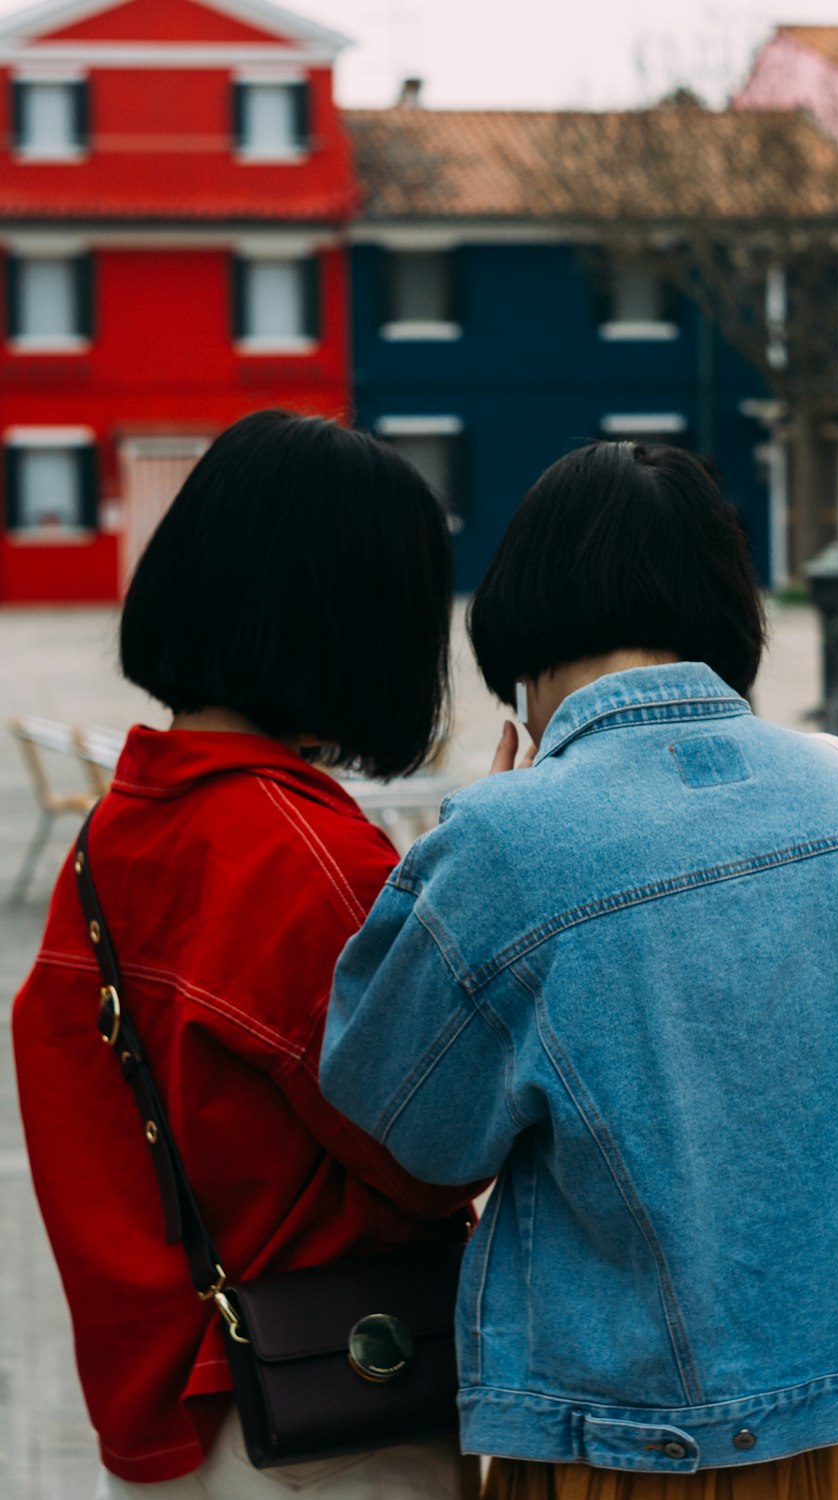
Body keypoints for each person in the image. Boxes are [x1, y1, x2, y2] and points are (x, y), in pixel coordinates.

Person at [320, 440, 838, 1500]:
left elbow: (414, 1126)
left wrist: (471, 849)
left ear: (520, 630)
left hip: (650, 1451)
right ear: (731, 621)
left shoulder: (506, 841)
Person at [12, 410, 481, 1498]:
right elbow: (430, 1145)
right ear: (360, 622)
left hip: (170, 1419)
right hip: (333, 1419)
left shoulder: (117, 833)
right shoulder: (304, 857)